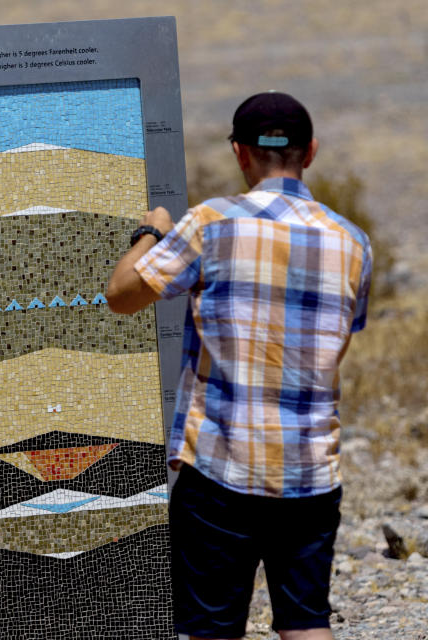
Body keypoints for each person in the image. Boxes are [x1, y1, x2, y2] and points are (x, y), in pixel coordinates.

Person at [106, 92, 372, 640]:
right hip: (310, 471)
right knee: (306, 622)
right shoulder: (354, 243)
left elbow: (122, 294)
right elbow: (341, 341)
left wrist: (151, 231)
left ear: (239, 153)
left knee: (209, 628)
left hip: (221, 468)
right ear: (311, 151)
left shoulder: (209, 223)